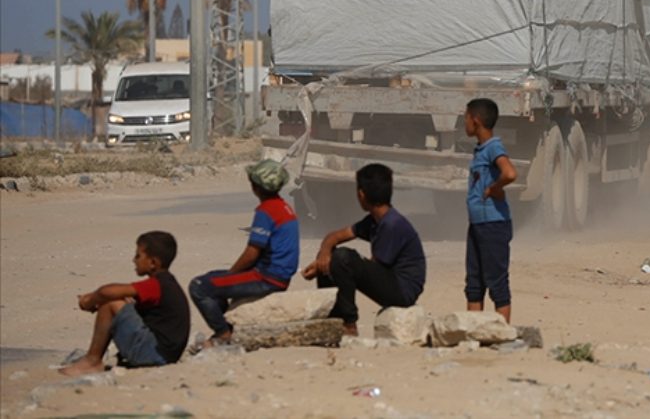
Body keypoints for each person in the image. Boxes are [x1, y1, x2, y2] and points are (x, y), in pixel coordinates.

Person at [301, 164, 426, 336]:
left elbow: (375, 266)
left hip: (403, 290)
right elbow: (335, 236)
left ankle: (348, 323)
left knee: (342, 259)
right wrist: (322, 258)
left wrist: (334, 264)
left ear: (361, 194)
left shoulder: (392, 225)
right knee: (331, 256)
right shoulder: (374, 220)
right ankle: (332, 319)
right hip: (390, 280)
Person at [189, 159, 299, 348]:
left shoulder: (266, 211)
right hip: (278, 275)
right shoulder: (284, 207)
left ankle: (223, 333)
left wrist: (232, 273)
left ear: (255, 187)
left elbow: (252, 253)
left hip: (267, 278)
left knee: (199, 286)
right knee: (214, 277)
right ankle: (227, 326)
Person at [61, 231, 189, 376]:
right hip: (165, 354)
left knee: (112, 303)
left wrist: (89, 301)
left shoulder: (157, 285)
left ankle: (92, 361)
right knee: (123, 301)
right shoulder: (167, 283)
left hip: (154, 354)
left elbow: (106, 292)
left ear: (153, 263)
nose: (134, 260)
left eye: (138, 256)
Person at [463, 98, 519, 323]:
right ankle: (473, 331)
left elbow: (510, 173)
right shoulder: (480, 149)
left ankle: (502, 332)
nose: (464, 122)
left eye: (466, 117)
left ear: (475, 120)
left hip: (493, 224)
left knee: (496, 281)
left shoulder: (493, 147)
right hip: (478, 224)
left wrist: (494, 189)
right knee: (474, 283)